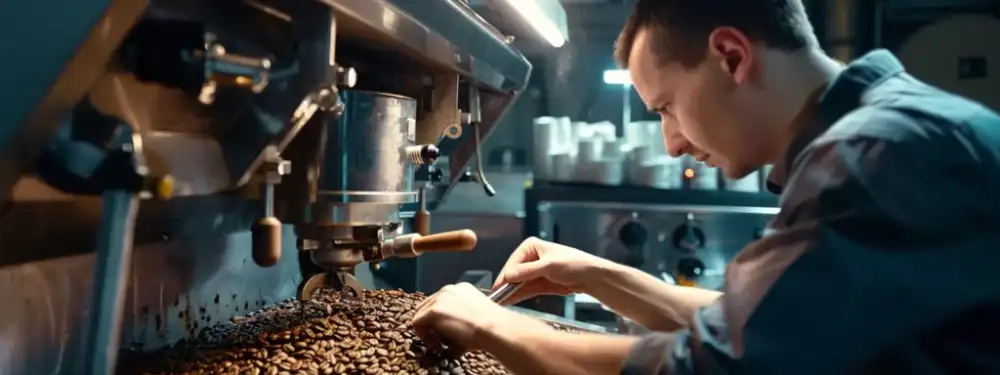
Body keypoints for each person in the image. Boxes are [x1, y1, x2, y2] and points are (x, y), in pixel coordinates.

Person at [411, 0, 1000, 374]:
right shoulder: (883, 133)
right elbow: (767, 326)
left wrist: (490, 324)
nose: (670, 144)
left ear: (731, 57)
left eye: (666, 107)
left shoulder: (873, 156)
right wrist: (595, 273)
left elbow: (715, 367)